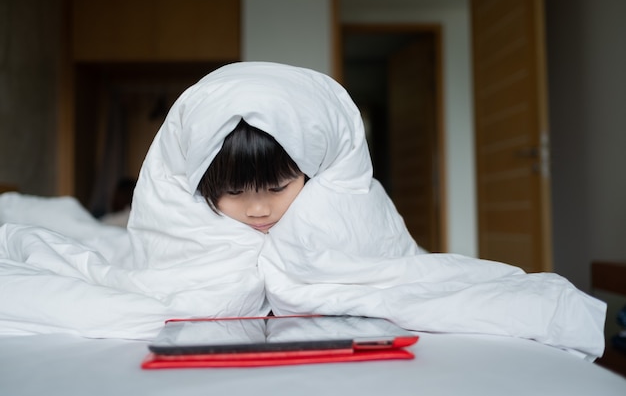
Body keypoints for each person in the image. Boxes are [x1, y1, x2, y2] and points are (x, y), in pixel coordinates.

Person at [0, 62, 606, 360]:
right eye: (234, 194)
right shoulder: (178, 204)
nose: (259, 209)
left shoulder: (337, 193)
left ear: (312, 171)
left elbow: (387, 265)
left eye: (279, 186)